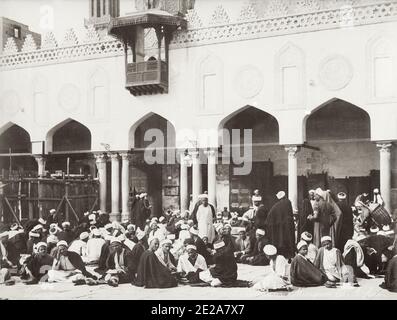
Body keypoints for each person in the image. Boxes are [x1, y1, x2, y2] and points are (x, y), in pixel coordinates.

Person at [265, 191, 296, 259]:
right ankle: (290, 254)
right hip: (288, 225)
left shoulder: (276, 206)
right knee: (289, 240)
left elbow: (270, 216)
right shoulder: (288, 202)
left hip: (280, 226)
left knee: (281, 240)